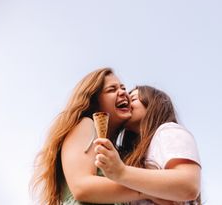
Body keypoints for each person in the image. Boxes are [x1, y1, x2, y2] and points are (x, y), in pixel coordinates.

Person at [30, 68, 169, 205]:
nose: (123, 93)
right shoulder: (85, 124)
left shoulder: (115, 153)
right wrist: (147, 190)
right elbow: (82, 187)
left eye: (123, 88)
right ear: (95, 101)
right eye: (112, 89)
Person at [94, 85, 202, 205]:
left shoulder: (168, 131)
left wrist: (122, 172)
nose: (127, 104)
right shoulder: (134, 153)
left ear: (153, 103)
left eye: (133, 99)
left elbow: (188, 185)